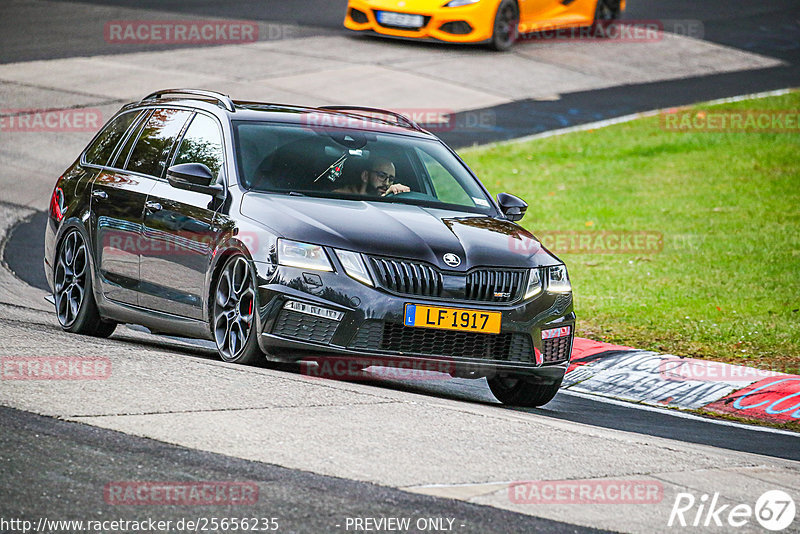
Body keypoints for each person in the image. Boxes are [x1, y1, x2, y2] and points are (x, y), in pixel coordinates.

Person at [335, 156, 411, 196]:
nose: (387, 183)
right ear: (365, 176)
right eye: (381, 176)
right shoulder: (341, 197)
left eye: (391, 179)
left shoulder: (391, 199)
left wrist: (400, 194)